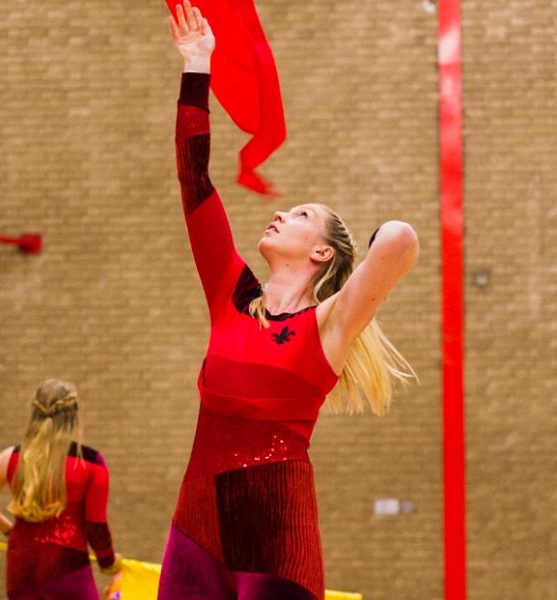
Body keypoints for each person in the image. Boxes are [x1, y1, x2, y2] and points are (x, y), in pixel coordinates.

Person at [159, 3, 421, 599]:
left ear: (323, 254)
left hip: (277, 531)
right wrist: (197, 64)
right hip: (195, 523)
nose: (280, 213)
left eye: (301, 215)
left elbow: (401, 239)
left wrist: (362, 271)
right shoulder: (230, 295)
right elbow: (194, 179)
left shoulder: (330, 326)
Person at [0, 379, 122, 600]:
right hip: (66, 566)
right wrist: (108, 561)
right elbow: (95, 524)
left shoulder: (11, 458)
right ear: (75, 418)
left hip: (21, 568)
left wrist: (10, 532)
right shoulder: (91, 463)